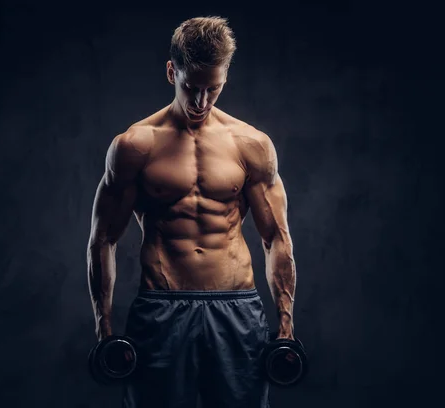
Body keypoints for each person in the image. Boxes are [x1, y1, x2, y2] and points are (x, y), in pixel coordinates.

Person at [87, 16, 297, 408]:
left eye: (212, 89)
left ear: (225, 79)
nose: (201, 101)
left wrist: (285, 323)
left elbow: (276, 238)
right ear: (172, 72)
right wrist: (104, 327)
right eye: (191, 88)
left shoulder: (251, 144)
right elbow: (103, 239)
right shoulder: (135, 145)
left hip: (236, 307)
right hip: (162, 309)